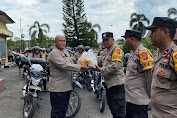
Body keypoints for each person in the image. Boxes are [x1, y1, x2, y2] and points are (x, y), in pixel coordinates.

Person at [48, 35, 89, 118]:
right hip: (58, 88)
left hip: (67, 87)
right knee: (57, 113)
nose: (63, 42)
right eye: (60, 41)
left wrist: (85, 66)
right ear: (55, 42)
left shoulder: (65, 52)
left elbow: (72, 64)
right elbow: (64, 66)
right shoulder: (54, 53)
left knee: (63, 111)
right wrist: (81, 67)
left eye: (64, 41)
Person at [145, 17, 177, 118]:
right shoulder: (159, 53)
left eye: (153, 31)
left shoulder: (175, 55)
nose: (150, 35)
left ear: (165, 32)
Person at [92, 32, 125, 118]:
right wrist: (90, 62)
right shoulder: (105, 51)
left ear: (113, 40)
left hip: (116, 84)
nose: (105, 42)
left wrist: (100, 69)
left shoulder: (116, 50)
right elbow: (99, 62)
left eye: (107, 40)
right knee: (112, 107)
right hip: (109, 84)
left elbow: (115, 66)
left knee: (119, 111)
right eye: (103, 40)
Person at [121, 30, 154, 118]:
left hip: (139, 102)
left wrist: (151, 98)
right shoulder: (133, 53)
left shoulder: (143, 53)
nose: (125, 42)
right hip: (131, 100)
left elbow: (149, 77)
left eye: (126, 39)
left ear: (132, 39)